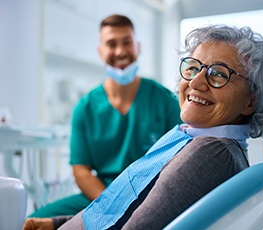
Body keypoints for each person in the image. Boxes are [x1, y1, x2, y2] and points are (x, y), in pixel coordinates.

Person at [23, 24, 263, 230]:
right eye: (193, 68)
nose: (195, 83)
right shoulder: (193, 139)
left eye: (219, 73)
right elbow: (126, 205)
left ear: (251, 100)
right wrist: (58, 224)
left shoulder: (210, 153)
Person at [27, 14, 182, 218]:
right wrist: (111, 204)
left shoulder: (165, 100)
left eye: (127, 42)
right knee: (34, 221)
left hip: (152, 193)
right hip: (102, 193)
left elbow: (181, 157)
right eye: (111, 44)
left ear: (138, 47)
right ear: (101, 52)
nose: (120, 51)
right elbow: (81, 170)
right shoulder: (85, 108)